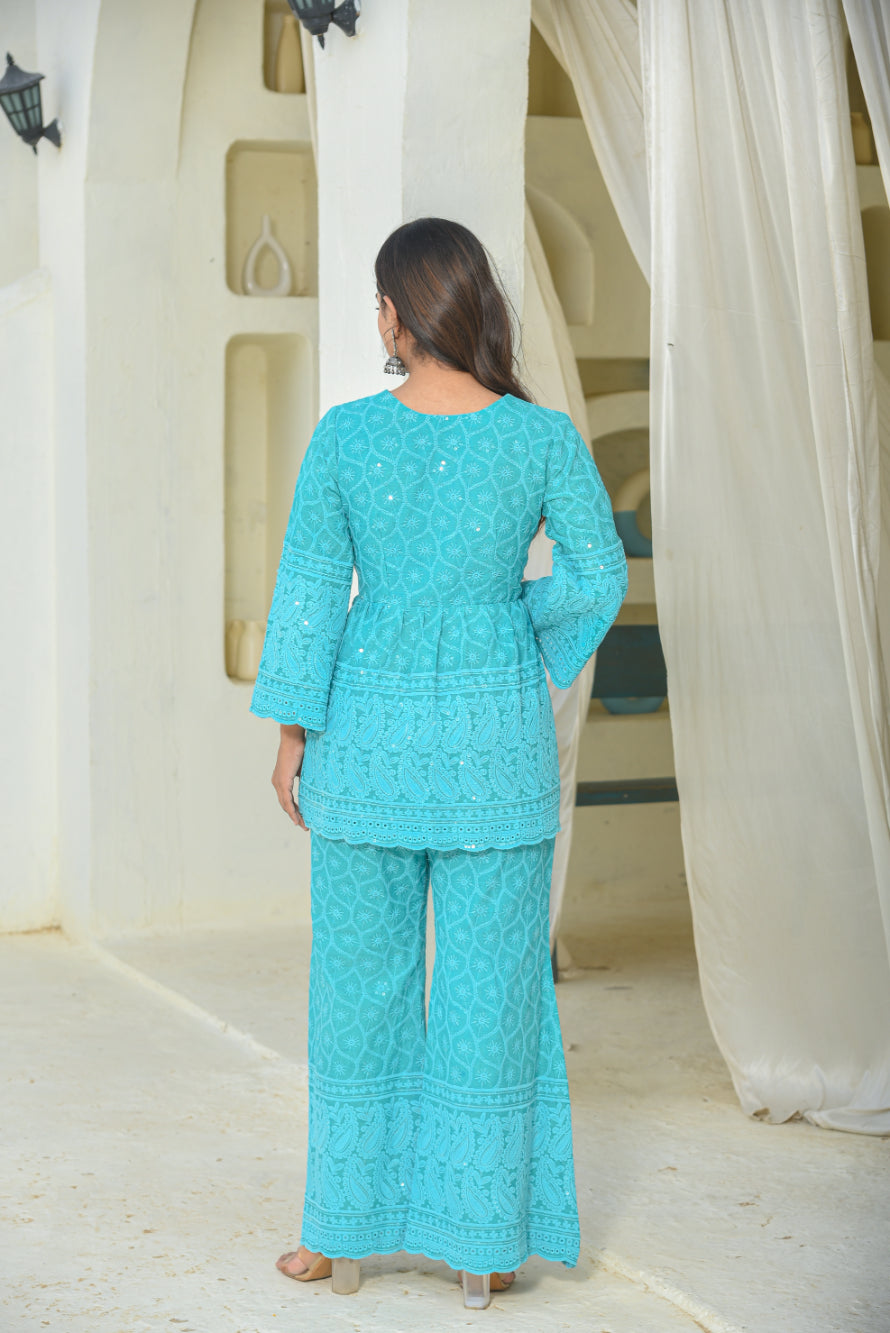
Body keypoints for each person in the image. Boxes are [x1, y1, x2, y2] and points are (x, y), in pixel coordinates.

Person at [250, 217, 628, 1309]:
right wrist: (515, 629)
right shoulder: (541, 436)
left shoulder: (347, 437)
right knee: (489, 994)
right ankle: (482, 1244)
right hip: (492, 757)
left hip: (363, 748)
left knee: (357, 994)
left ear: (395, 315)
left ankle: (336, 1237)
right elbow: (597, 576)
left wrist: (291, 737)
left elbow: (312, 592)